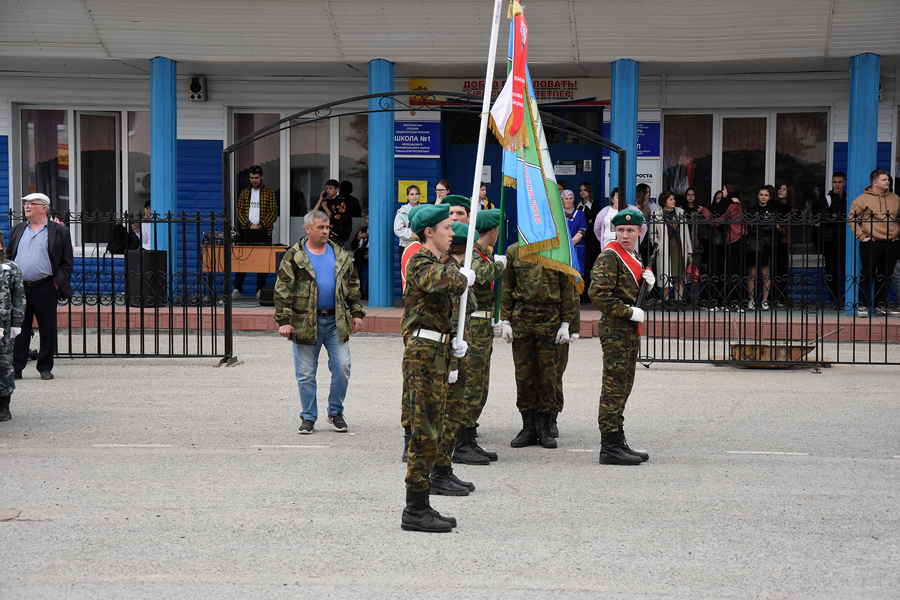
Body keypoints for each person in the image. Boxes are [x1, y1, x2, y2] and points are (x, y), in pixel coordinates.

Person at [400, 203, 475, 533]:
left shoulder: (439, 261)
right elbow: (439, 281)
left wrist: (453, 339)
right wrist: (462, 275)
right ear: (429, 232)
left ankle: (422, 501)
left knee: (436, 426)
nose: (453, 231)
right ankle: (415, 508)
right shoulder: (420, 260)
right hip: (424, 352)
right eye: (447, 227)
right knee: (425, 430)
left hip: (439, 349)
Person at [274, 210, 365, 435]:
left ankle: (335, 412)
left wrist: (356, 313)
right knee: (305, 373)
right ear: (308, 229)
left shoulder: (339, 252)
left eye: (327, 227)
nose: (325, 231)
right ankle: (308, 417)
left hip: (336, 321)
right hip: (305, 322)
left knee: (343, 367)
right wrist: (284, 320)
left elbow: (352, 283)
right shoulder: (294, 255)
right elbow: (283, 288)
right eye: (320, 228)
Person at [588, 208, 653, 466]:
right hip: (616, 328)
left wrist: (647, 284)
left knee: (624, 385)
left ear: (639, 232)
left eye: (631, 231)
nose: (625, 234)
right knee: (614, 387)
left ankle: (618, 439)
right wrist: (628, 312)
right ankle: (609, 446)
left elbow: (627, 289)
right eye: (621, 230)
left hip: (626, 329)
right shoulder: (610, 256)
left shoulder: (633, 255)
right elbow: (598, 294)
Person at [500, 238, 578, 450]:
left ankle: (544, 427)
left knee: (548, 375)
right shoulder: (514, 251)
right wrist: (505, 320)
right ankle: (528, 427)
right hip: (522, 318)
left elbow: (567, 289)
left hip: (549, 318)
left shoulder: (557, 250)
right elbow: (507, 286)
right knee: (523, 375)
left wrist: (566, 323)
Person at [458, 208, 506, 463]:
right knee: (472, 384)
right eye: (499, 229)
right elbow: (480, 277)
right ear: (493, 231)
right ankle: (461, 442)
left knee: (481, 384)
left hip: (484, 326)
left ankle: (470, 437)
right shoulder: (472, 255)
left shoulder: (484, 254)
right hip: (474, 328)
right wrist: (499, 265)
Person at [9, 193, 73, 381]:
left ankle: (45, 366)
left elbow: (67, 263)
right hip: (20, 288)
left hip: (46, 286)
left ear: (43, 208)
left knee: (47, 329)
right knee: (19, 329)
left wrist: (54, 285)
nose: (26, 206)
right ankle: (16, 367)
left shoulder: (59, 231)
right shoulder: (18, 229)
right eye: (25, 204)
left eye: (31, 204)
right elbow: (10, 256)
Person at [848, 169, 900, 317]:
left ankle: (881, 306)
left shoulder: (895, 198)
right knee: (868, 274)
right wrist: (861, 236)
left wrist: (898, 234)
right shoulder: (862, 199)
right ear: (875, 182)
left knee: (885, 276)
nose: (888, 182)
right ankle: (863, 306)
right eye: (884, 180)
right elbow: (852, 220)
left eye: (888, 180)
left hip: (891, 243)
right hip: (871, 241)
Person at [234, 165, 278, 299]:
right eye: (252, 178)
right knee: (241, 260)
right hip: (247, 231)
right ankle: (237, 289)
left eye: (256, 178)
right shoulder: (244, 193)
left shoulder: (269, 192)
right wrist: (249, 225)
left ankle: (260, 289)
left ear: (262, 177)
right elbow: (239, 211)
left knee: (263, 262)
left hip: (264, 231)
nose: (254, 180)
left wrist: (260, 225)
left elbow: (273, 213)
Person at [650, 191, 692, 309]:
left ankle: (679, 302)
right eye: (670, 199)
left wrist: (689, 249)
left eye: (673, 199)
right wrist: (657, 243)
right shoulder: (656, 214)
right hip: (664, 249)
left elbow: (686, 233)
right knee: (665, 276)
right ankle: (666, 302)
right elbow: (652, 234)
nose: (673, 201)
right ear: (664, 202)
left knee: (680, 276)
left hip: (679, 248)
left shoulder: (680, 212)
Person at [813, 172, 849, 308]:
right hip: (830, 240)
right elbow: (825, 217)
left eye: (840, 182)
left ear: (844, 183)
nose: (837, 184)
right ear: (832, 183)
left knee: (847, 271)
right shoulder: (826, 199)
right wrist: (838, 217)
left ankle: (846, 299)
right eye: (835, 182)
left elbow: (848, 216)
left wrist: (836, 216)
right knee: (832, 271)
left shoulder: (848, 198)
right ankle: (834, 300)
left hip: (846, 239)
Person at [0, 230, 25, 421]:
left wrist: (17, 323)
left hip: (3, 327)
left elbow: (19, 297)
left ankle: (3, 406)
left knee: (4, 366)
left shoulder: (11, 268)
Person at [745, 185, 780, 310]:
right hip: (754, 243)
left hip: (767, 243)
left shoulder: (773, 211)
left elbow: (773, 228)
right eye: (761, 195)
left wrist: (761, 226)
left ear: (769, 197)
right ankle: (752, 301)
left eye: (766, 195)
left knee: (765, 272)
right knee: (752, 273)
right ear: (757, 196)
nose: (763, 197)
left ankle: (765, 301)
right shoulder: (751, 210)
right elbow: (750, 227)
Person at [313, 179, 352, 244]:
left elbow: (334, 219)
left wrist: (325, 207)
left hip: (337, 236)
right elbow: (313, 214)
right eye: (327, 188)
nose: (328, 190)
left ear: (337, 190)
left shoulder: (341, 202)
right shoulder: (326, 202)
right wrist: (320, 200)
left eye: (331, 188)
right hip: (325, 235)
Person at [561, 189, 587, 281]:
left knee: (576, 276)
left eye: (570, 198)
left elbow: (582, 230)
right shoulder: (558, 214)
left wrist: (571, 243)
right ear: (562, 200)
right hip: (562, 248)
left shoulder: (580, 214)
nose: (568, 200)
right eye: (566, 198)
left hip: (576, 247)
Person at [393, 184, 422, 264]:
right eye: (412, 194)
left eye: (416, 194)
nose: (414, 196)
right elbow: (398, 230)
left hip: (421, 246)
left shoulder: (423, 211)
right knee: (406, 273)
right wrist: (413, 234)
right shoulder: (401, 212)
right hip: (405, 246)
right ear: (407, 196)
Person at [350, 211, 369, 299]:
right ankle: (358, 291)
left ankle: (368, 293)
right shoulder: (361, 229)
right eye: (365, 219)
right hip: (361, 251)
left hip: (371, 251)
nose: (366, 221)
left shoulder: (377, 230)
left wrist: (372, 254)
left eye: (368, 219)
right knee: (357, 257)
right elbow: (353, 246)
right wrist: (359, 237)